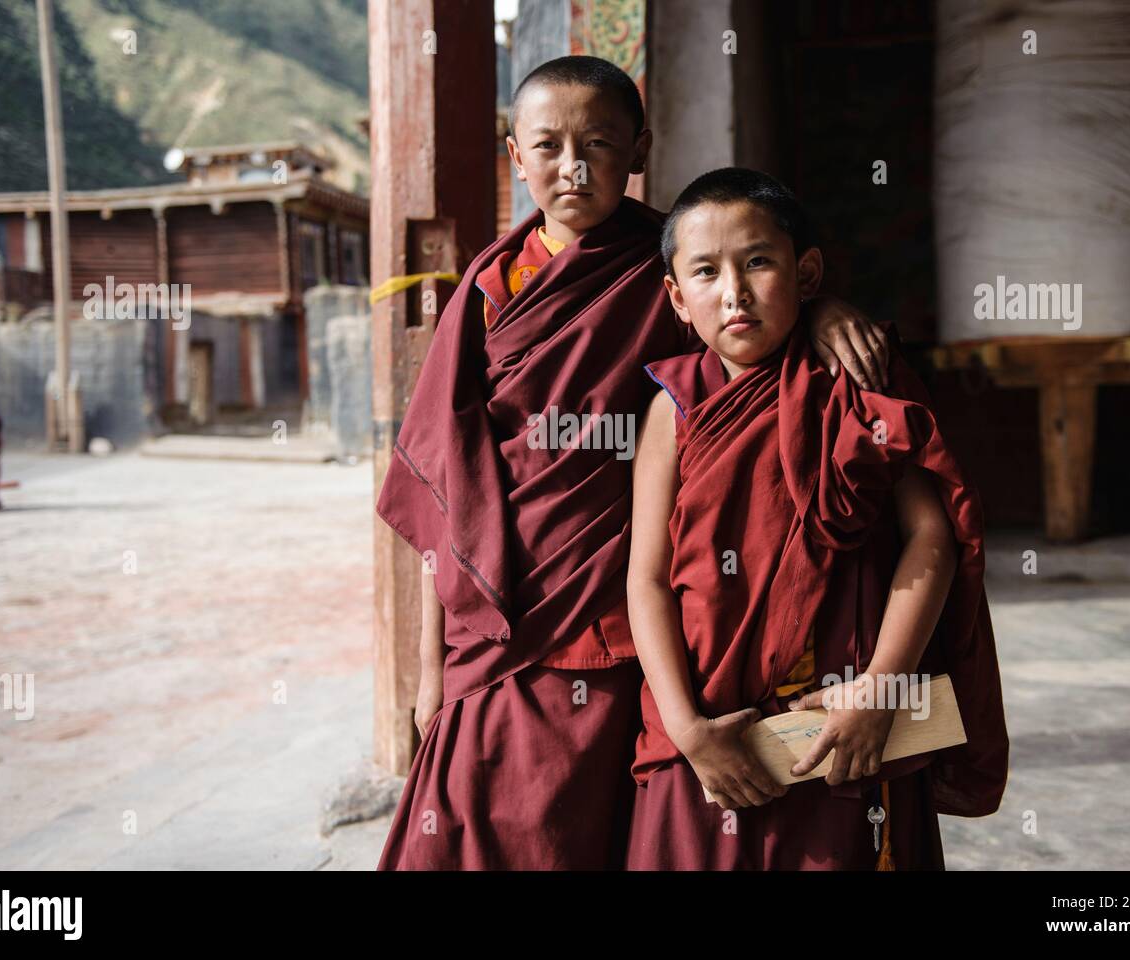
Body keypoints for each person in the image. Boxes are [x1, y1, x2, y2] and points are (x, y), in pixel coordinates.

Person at [374, 59, 893, 870]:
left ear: (639, 150)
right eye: (548, 146)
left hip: (622, 626)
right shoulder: (484, 289)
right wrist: (433, 664)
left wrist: (824, 309)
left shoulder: (667, 271)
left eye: (599, 144)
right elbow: (442, 486)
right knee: (475, 826)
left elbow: (749, 319)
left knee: (603, 831)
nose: (573, 167)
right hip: (504, 618)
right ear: (516, 156)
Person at [624, 168, 1008, 870]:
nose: (734, 293)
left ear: (806, 274)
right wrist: (687, 729)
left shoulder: (857, 382)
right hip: (709, 722)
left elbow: (933, 535)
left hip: (845, 711)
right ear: (678, 299)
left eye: (758, 262)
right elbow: (646, 579)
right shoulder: (672, 408)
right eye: (706, 273)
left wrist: (882, 688)